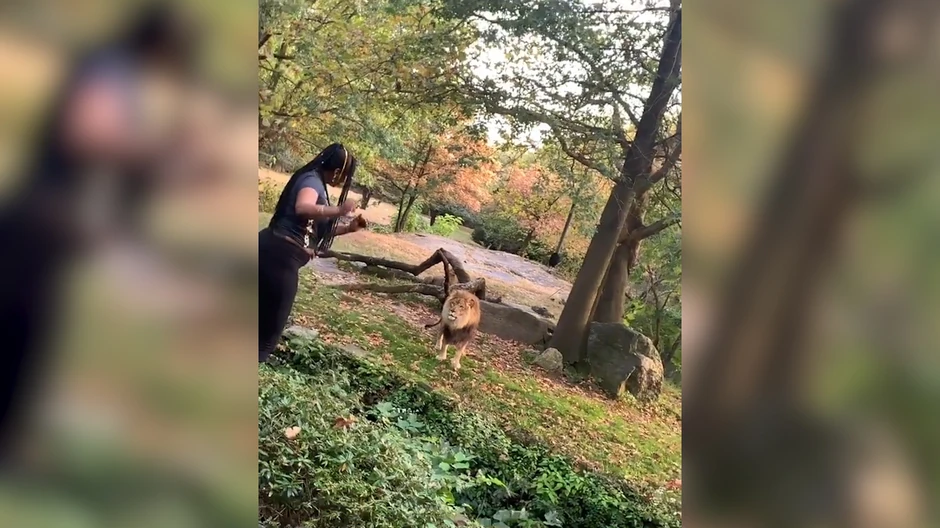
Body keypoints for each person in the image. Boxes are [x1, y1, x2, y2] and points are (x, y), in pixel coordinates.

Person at [258, 143, 367, 362]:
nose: (343, 181)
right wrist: (339, 210)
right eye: (344, 176)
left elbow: (314, 229)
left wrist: (348, 228)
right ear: (337, 171)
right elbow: (303, 207)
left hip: (277, 255)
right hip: (279, 257)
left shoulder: (316, 182)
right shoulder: (312, 181)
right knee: (268, 333)